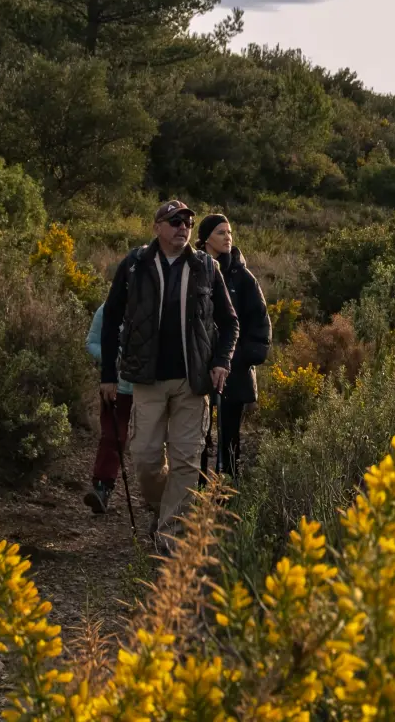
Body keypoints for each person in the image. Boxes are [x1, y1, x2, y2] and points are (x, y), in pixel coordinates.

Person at [97, 200, 239, 545]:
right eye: (175, 221)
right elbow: (111, 318)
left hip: (193, 382)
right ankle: (164, 507)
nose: (183, 227)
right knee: (144, 457)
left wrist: (222, 361)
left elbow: (230, 322)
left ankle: (169, 535)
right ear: (157, 227)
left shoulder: (206, 267)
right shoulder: (134, 265)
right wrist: (108, 374)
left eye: (188, 221)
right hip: (147, 379)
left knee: (186, 459)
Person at [195, 214, 271, 478]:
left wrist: (235, 358)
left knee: (229, 438)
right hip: (197, 369)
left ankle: (227, 495)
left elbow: (260, 327)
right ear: (205, 239)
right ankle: (197, 494)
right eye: (220, 232)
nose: (228, 237)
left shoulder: (244, 278)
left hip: (234, 370)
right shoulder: (193, 269)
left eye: (229, 232)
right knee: (197, 436)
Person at [83, 303, 135, 514]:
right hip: (116, 386)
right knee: (112, 437)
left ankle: (157, 496)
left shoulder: (156, 304)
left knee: (152, 442)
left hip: (151, 390)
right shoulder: (107, 309)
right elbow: (91, 343)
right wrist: (113, 358)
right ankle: (102, 488)